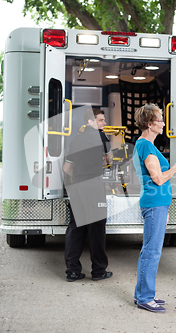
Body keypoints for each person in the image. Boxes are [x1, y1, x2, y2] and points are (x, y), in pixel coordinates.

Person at [132, 103, 176, 313]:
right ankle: (145, 297)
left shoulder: (149, 145)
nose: (163, 123)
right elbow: (158, 178)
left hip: (158, 205)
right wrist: (175, 167)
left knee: (150, 250)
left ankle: (142, 294)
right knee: (152, 252)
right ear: (149, 123)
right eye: (160, 119)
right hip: (154, 204)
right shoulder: (145, 145)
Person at [63, 108, 112, 282]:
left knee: (75, 228)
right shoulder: (102, 137)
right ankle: (98, 271)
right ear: (90, 122)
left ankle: (73, 271)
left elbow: (66, 169)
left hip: (76, 187)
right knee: (97, 228)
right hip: (94, 188)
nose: (104, 123)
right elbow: (110, 160)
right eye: (100, 120)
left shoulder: (75, 140)